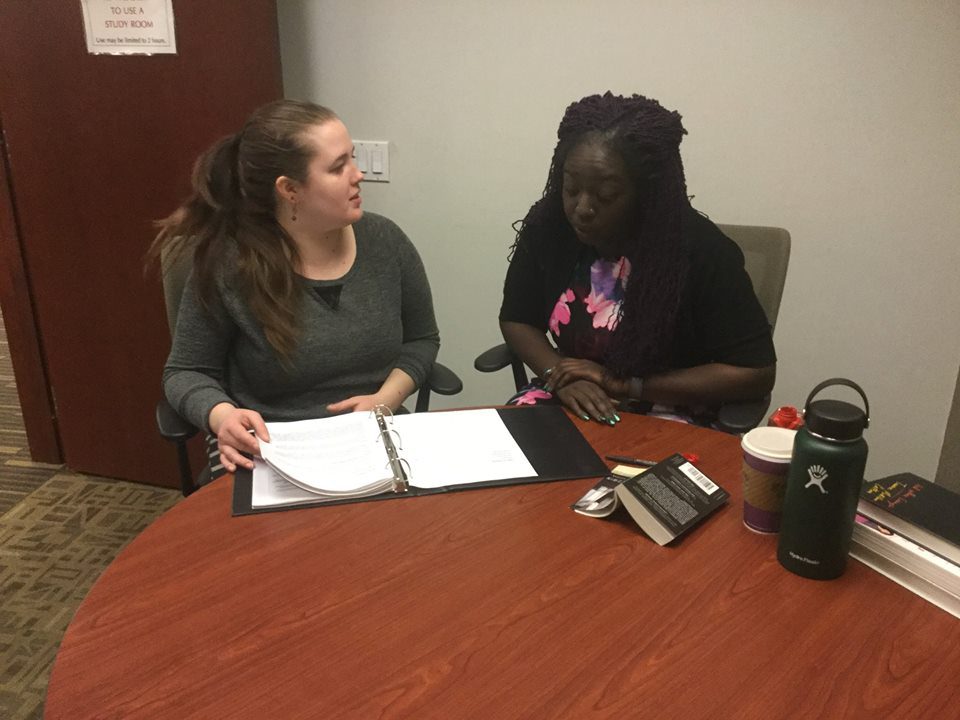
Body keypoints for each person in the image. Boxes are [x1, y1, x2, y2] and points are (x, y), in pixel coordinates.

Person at [150, 99, 440, 474]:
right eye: (338, 167)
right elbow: (185, 372)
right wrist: (222, 417)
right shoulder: (231, 263)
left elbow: (422, 339)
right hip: (267, 449)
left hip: (372, 440)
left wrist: (385, 399)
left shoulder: (386, 241)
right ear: (290, 189)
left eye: (352, 158)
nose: (358, 175)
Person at [499, 92, 775, 427]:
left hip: (669, 409)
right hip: (569, 394)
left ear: (647, 193)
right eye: (571, 188)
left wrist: (624, 384)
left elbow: (754, 373)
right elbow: (517, 318)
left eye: (606, 196)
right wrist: (559, 373)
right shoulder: (549, 226)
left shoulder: (702, 251)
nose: (582, 208)